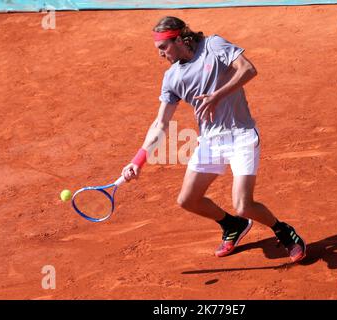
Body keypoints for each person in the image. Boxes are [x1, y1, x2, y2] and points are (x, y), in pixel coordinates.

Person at [121, 16, 306, 263]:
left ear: (178, 39)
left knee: (244, 204)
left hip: (241, 135)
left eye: (163, 48)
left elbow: (248, 69)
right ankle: (233, 225)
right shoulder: (172, 78)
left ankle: (284, 232)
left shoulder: (213, 46)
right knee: (188, 200)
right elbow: (160, 124)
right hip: (210, 141)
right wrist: (138, 160)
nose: (160, 55)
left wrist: (217, 95)